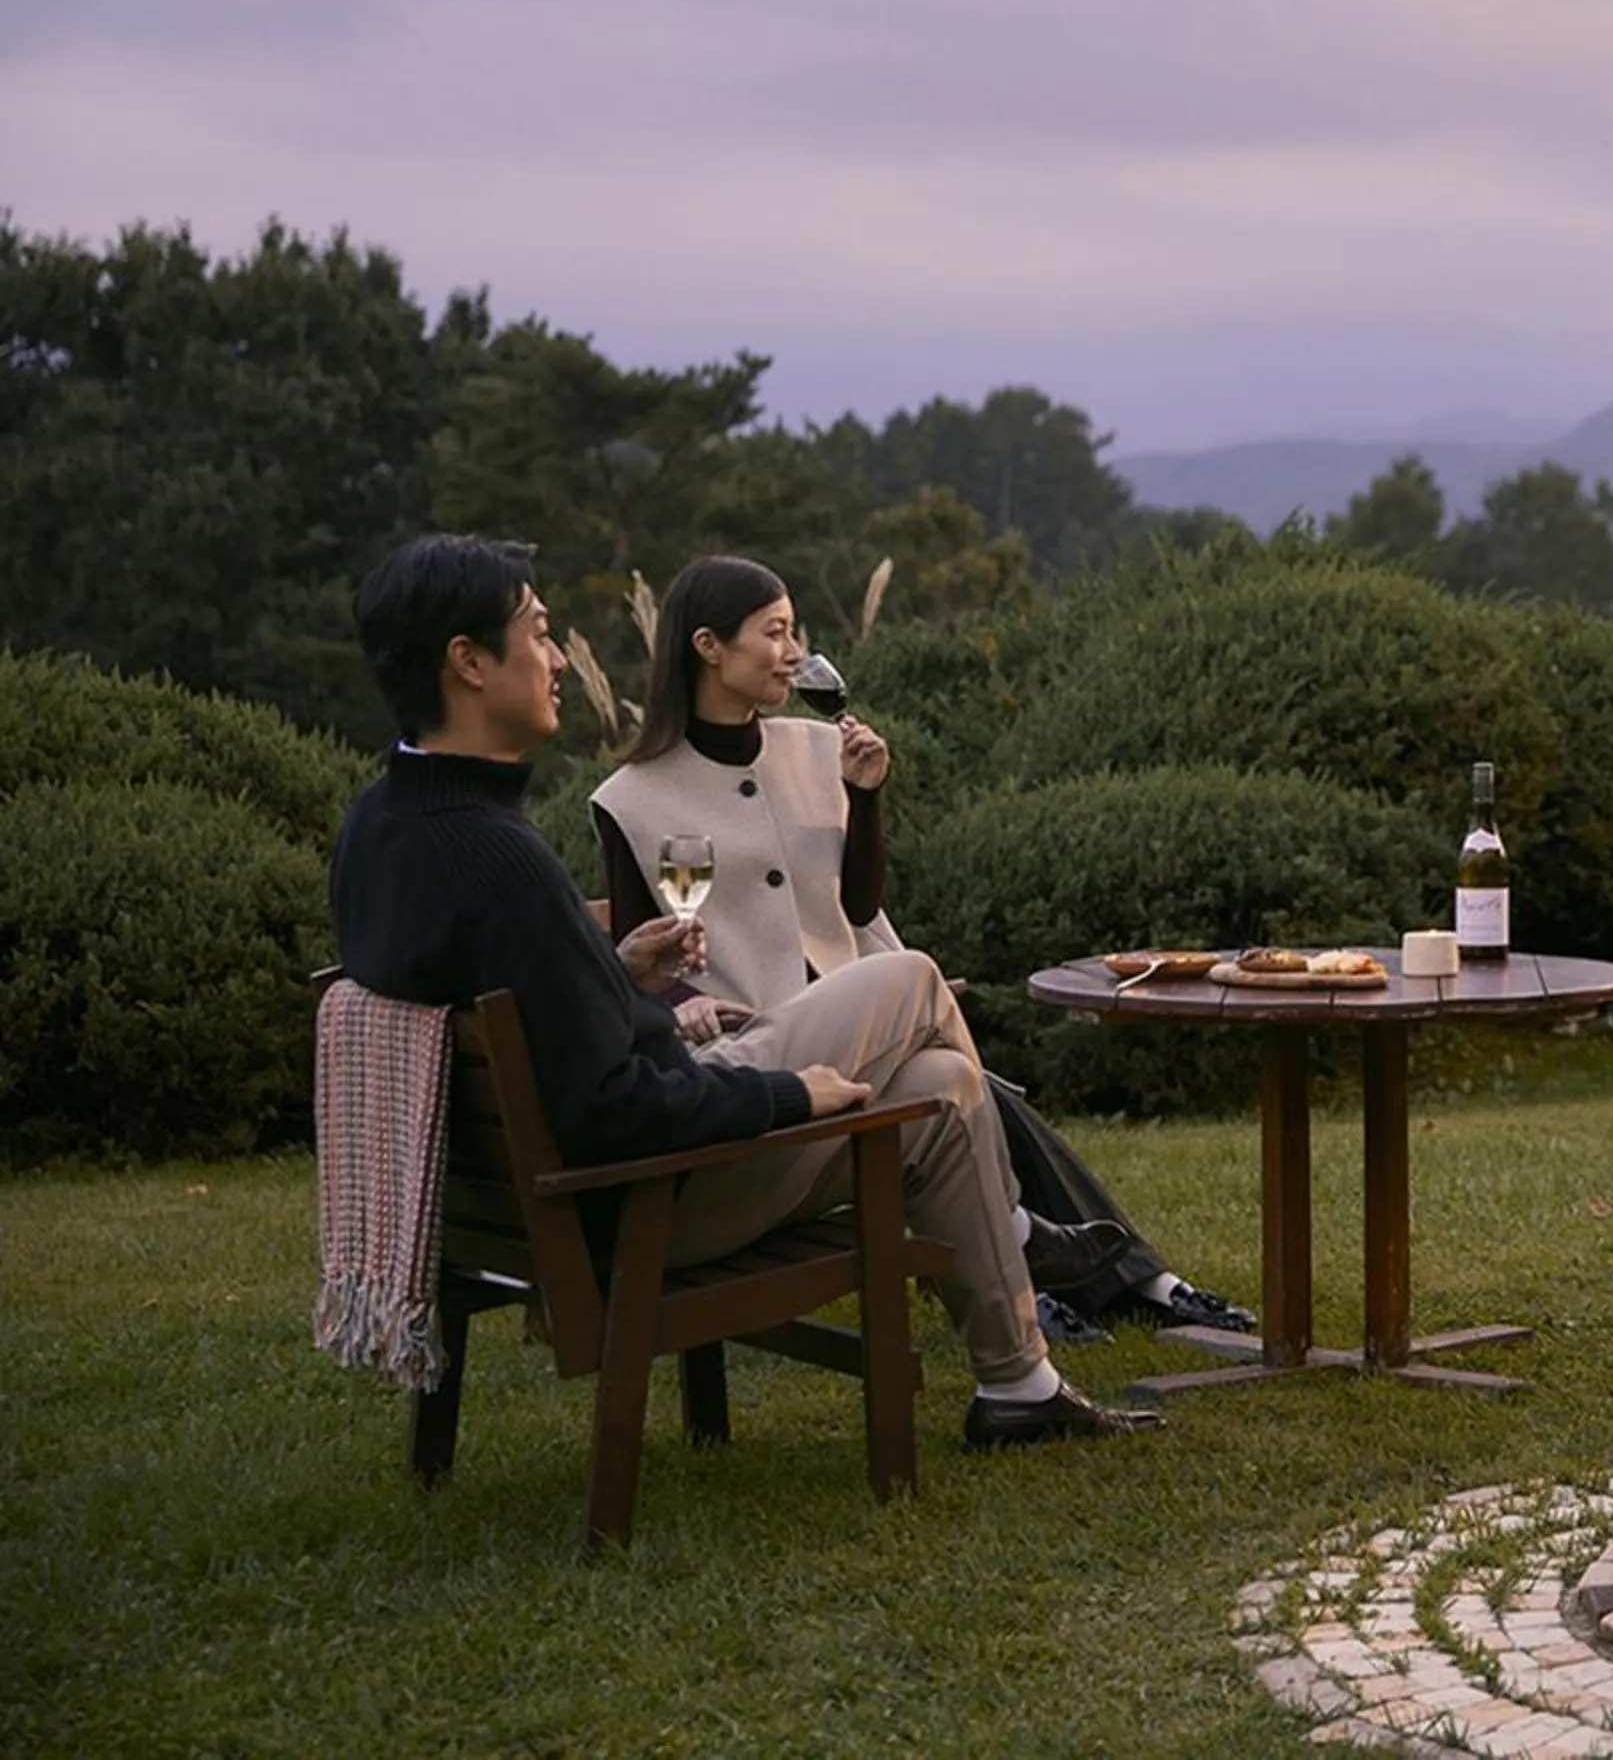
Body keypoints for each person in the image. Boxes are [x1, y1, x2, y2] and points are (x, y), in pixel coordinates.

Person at [328, 532, 1158, 1450]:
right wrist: (787, 1094)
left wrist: (614, 973)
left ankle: (1019, 1388)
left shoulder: (380, 826)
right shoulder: (502, 859)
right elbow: (611, 1110)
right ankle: (1017, 1227)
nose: (557, 658)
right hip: (651, 1200)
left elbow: (520, 1012)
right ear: (469, 662)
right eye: (539, 632)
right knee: (911, 977)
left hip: (530, 1205)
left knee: (942, 1089)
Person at [590, 554, 1256, 1347]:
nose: (796, 652)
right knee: (970, 1090)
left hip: (863, 1009)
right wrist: (684, 1003)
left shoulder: (815, 747)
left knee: (965, 1088)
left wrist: (865, 798)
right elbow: (638, 956)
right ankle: (1096, 1276)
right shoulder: (631, 798)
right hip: (760, 1047)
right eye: (774, 633)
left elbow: (858, 905)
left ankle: (1095, 1277)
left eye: (796, 631)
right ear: (708, 646)